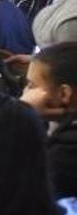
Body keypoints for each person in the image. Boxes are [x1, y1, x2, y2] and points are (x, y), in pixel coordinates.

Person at [21, 42, 77, 199]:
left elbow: (22, 189)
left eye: (31, 86)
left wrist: (22, 114)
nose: (25, 92)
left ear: (64, 94)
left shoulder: (65, 152)